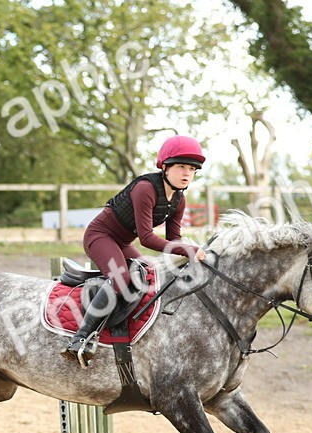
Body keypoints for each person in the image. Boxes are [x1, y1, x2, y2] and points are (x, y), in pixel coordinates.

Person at [62, 134, 210, 366]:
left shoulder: (179, 200)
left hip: (122, 242)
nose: (186, 174)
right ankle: (80, 339)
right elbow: (147, 239)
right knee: (120, 277)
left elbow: (173, 239)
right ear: (165, 167)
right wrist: (188, 250)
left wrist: (189, 250)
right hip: (100, 236)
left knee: (150, 273)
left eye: (192, 169)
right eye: (181, 167)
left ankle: (127, 333)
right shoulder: (145, 189)